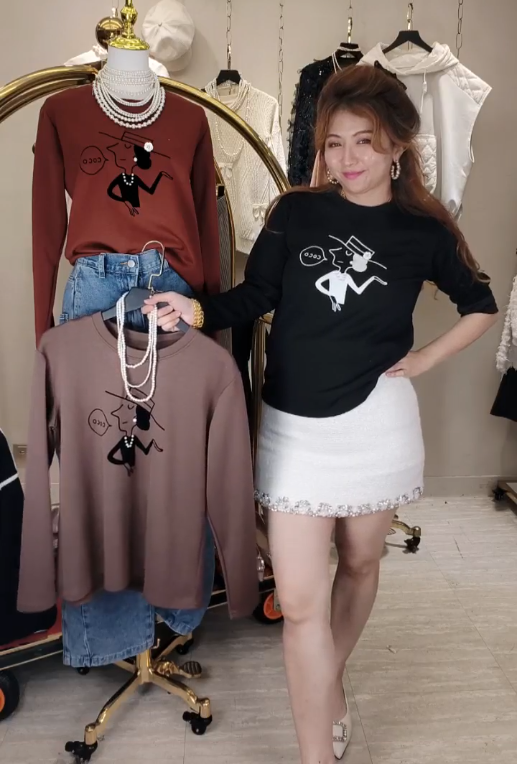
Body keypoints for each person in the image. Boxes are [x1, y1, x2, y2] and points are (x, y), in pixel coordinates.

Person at [142, 65, 498, 764]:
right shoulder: (295, 213)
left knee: (361, 563)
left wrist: (423, 360)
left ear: (397, 146)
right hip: (295, 426)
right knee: (300, 602)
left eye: (364, 142)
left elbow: (480, 303)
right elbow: (258, 296)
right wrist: (198, 310)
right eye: (334, 143)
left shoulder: (422, 230)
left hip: (376, 421)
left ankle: (326, 685)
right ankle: (318, 743)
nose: (347, 159)